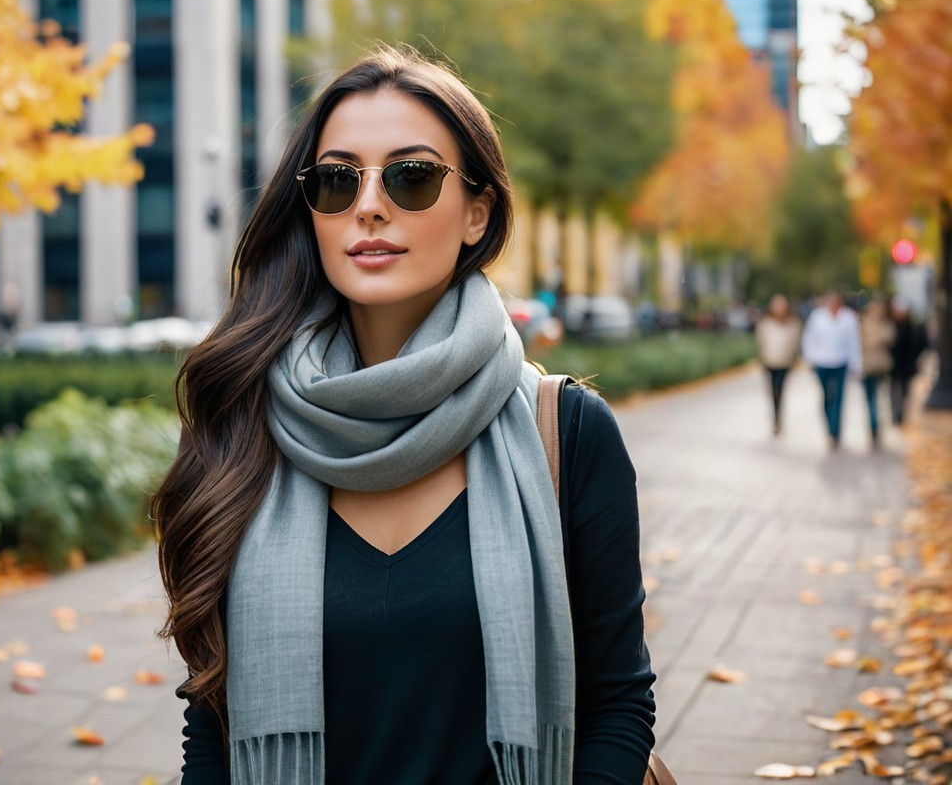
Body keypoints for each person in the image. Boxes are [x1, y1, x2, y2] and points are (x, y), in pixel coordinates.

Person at [151, 47, 656, 785]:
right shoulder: (246, 425)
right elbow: (212, 722)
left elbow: (616, 707)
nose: (368, 206)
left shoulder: (570, 433)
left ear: (478, 212)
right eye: (337, 179)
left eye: (411, 176)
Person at [801, 292, 863, 449]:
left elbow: (853, 342)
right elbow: (809, 339)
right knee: (826, 396)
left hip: (840, 362)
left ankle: (835, 431)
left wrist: (856, 364)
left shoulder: (849, 317)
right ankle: (829, 427)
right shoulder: (817, 317)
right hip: (821, 362)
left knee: (838, 397)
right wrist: (810, 359)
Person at [754, 293, 802, 435]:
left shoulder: (793, 324)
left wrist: (794, 358)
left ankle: (778, 419)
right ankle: (775, 419)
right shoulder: (765, 324)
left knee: (780, 391)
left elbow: (795, 343)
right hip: (769, 362)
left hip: (784, 363)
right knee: (773, 391)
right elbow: (761, 342)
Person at [858, 298, 895, 446]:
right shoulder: (863, 323)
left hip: (881, 365)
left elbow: (889, 338)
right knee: (870, 397)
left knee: (880, 397)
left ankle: (876, 423)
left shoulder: (885, 323)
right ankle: (873, 424)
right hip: (867, 366)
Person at [889, 301, 930, 424]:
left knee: (904, 390)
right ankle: (896, 413)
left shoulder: (912, 329)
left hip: (907, 365)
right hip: (895, 365)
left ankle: (900, 412)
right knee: (894, 389)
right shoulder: (893, 327)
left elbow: (921, 344)